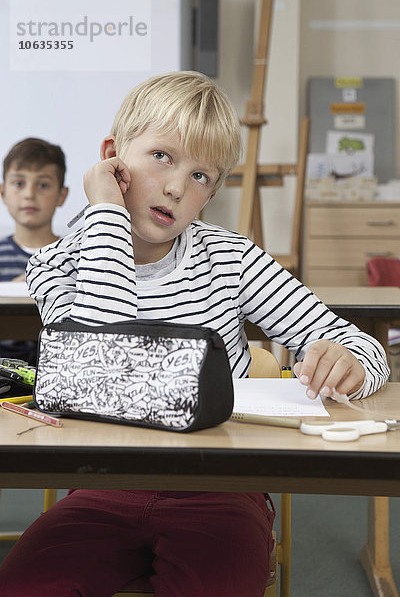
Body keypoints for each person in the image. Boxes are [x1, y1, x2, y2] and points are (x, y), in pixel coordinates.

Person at [0, 72, 389, 597]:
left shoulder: (230, 258)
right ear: (112, 159)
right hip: (103, 486)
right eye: (162, 156)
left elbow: (358, 342)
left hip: (222, 490)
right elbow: (104, 361)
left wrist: (350, 359)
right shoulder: (59, 263)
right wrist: (108, 214)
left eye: (202, 176)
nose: (179, 187)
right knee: (24, 585)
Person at [0, 137, 68, 363]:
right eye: (19, 183)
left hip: (59, 366)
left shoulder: (76, 256)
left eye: (43, 185)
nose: (29, 194)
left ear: (62, 195)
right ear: (3, 192)